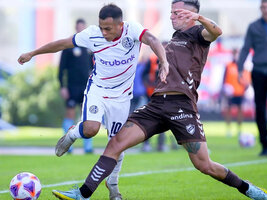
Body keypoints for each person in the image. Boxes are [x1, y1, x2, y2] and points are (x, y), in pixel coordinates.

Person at [51, 0, 267, 200]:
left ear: (191, 14)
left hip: (182, 106)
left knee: (204, 165)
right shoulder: (173, 39)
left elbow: (216, 31)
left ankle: (249, 190)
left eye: (177, 13)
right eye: (171, 12)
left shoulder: (199, 35)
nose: (171, 16)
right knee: (115, 143)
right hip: (157, 105)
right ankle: (83, 194)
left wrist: (200, 19)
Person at [18, 4, 168, 200]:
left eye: (108, 28)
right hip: (97, 90)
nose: (103, 32)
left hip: (122, 98)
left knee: (117, 144)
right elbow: (62, 44)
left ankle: (113, 186)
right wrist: (33, 53)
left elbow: (152, 39)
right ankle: (73, 133)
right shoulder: (92, 34)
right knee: (90, 129)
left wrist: (164, 61)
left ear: (120, 24)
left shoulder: (132, 30)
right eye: (101, 27)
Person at [237, 0, 267, 156]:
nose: (266, 9)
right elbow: (245, 48)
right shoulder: (254, 26)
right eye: (263, 7)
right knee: (260, 109)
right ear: (260, 8)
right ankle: (264, 143)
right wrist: (239, 68)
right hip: (258, 71)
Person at [58, 18, 93, 154]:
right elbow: (61, 69)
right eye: (79, 28)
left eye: (83, 28)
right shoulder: (68, 47)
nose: (81, 30)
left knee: (86, 117)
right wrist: (63, 86)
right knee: (70, 114)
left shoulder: (90, 47)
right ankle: (68, 146)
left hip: (86, 87)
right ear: (75, 28)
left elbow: (93, 68)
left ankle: (88, 147)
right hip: (72, 87)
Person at [222, 48, 250, 137]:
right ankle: (228, 129)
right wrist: (225, 89)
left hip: (240, 92)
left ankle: (239, 129)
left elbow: (246, 80)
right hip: (230, 93)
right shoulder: (228, 66)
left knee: (240, 111)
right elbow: (224, 79)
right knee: (229, 110)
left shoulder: (242, 66)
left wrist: (245, 88)